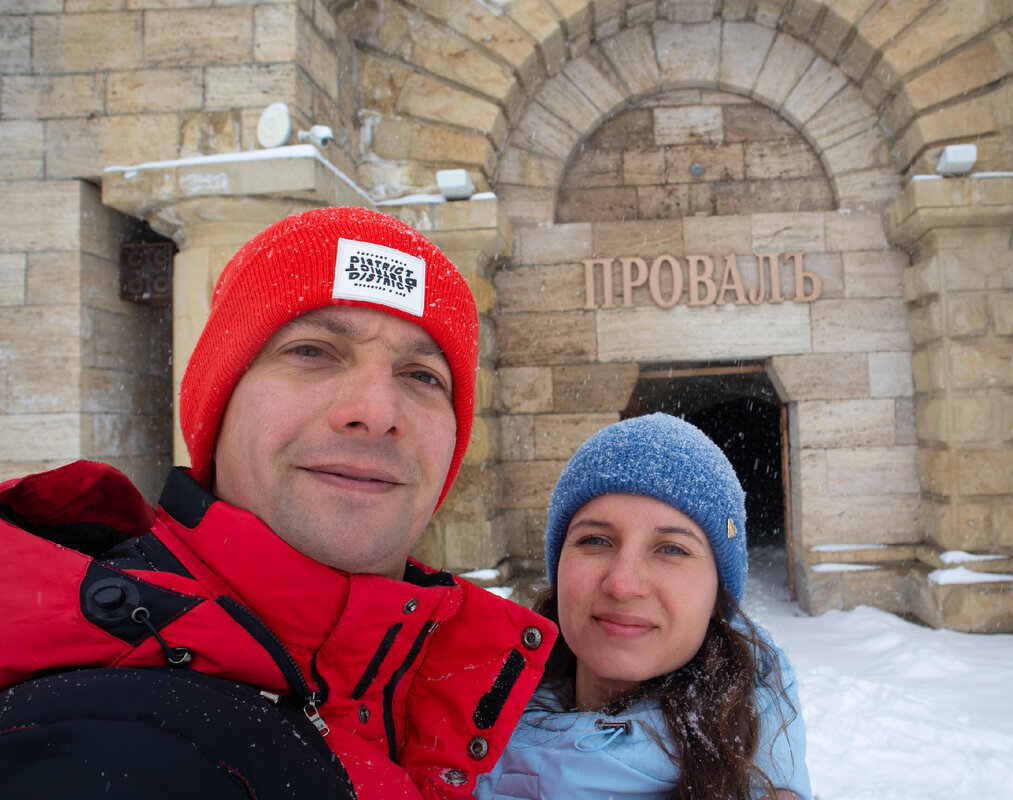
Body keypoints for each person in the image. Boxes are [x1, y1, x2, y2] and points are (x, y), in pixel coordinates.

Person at [0, 207, 554, 798]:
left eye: (421, 375)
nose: (377, 411)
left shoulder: (492, 709)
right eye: (313, 351)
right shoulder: (108, 739)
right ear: (220, 403)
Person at [475, 413, 812, 800]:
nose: (622, 583)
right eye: (596, 541)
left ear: (717, 597)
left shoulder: (755, 781)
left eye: (672, 548)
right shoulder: (448, 708)